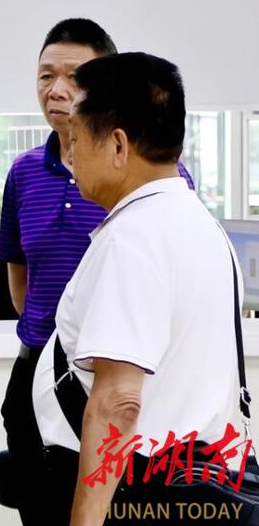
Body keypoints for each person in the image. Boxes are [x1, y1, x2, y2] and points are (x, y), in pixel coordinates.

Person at [0, 18, 192, 525]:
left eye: (75, 76)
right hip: (36, 373)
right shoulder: (22, 173)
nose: (57, 90)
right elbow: (19, 281)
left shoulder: (151, 177)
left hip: (116, 380)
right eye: (45, 76)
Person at [32, 53, 244, 525]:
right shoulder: (203, 226)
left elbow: (119, 403)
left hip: (135, 495)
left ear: (118, 145)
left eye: (76, 138)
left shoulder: (134, 238)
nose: (71, 156)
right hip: (194, 484)